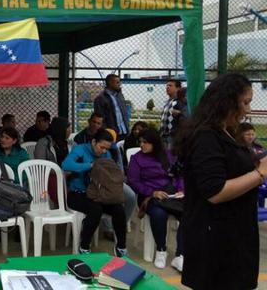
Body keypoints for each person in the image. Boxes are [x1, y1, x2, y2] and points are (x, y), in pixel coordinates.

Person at [174, 73, 267, 290]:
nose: (248, 109)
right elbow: (216, 192)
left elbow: (233, 169)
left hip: (234, 232)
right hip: (215, 239)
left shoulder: (226, 132)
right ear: (227, 101)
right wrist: (260, 173)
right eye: (245, 102)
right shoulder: (206, 137)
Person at [62, 129, 128, 257]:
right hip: (78, 193)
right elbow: (66, 165)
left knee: (119, 209)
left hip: (99, 194)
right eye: (101, 147)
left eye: (106, 149)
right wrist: (90, 165)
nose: (103, 151)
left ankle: (121, 247)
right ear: (93, 142)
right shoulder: (81, 150)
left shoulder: (106, 154)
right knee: (95, 210)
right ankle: (84, 246)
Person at [127, 128, 184, 271]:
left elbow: (179, 175)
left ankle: (180, 255)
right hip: (148, 196)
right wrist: (153, 192)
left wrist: (181, 190)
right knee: (159, 214)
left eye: (146, 142)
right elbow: (134, 182)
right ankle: (161, 250)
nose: (142, 145)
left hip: (171, 195)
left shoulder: (168, 156)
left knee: (189, 212)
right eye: (140, 142)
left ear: (155, 143)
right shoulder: (137, 159)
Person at [34, 117, 71, 206]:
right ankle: (62, 204)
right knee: (56, 181)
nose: (70, 131)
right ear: (60, 129)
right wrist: (60, 172)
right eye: (68, 128)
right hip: (51, 175)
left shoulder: (69, 143)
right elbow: (40, 164)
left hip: (69, 174)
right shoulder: (44, 143)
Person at [94, 74, 129, 140]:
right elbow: (99, 118)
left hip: (124, 132)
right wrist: (107, 132)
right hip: (111, 134)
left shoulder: (120, 96)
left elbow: (124, 114)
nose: (119, 84)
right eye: (117, 82)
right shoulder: (100, 98)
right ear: (110, 83)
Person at [159, 79, 183, 149]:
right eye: (167, 85)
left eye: (170, 85)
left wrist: (180, 113)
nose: (167, 87)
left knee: (171, 157)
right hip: (163, 136)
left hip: (173, 137)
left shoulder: (180, 101)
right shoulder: (167, 102)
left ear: (178, 88)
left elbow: (186, 114)